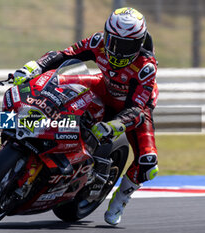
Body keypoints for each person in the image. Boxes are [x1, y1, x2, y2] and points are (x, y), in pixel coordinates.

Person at [12, 7, 159, 225]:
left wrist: (115, 125)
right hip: (103, 86)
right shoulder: (97, 42)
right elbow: (64, 55)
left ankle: (120, 201)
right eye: (114, 41)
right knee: (56, 84)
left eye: (126, 45)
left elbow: (137, 108)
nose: (117, 50)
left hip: (133, 109)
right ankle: (29, 126)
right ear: (107, 34)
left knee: (149, 163)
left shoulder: (146, 67)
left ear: (139, 43)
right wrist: (34, 67)